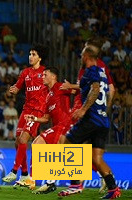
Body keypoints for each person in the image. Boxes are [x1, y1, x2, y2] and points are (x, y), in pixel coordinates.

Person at [58, 46, 121, 199]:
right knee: (96, 158)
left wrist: (84, 110)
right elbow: (105, 90)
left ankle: (75, 184)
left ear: (86, 56)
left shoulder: (91, 70)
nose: (80, 57)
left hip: (91, 119)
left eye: (81, 55)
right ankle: (113, 189)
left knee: (65, 143)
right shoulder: (102, 73)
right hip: (102, 121)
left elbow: (95, 89)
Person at [2, 44, 48, 189]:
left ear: (39, 57)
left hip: (37, 111)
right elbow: (18, 86)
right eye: (29, 54)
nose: (30, 56)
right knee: (17, 142)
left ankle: (14, 171)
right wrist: (14, 89)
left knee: (23, 139)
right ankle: (25, 174)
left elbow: (53, 86)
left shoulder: (45, 72)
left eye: (33, 54)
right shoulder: (25, 72)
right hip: (25, 110)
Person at [23, 67, 74, 194]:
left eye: (45, 74)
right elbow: (46, 118)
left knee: (37, 143)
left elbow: (81, 90)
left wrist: (72, 86)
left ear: (53, 76)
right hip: (57, 127)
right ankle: (105, 176)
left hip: (65, 125)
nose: (42, 77)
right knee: (67, 156)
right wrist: (34, 118)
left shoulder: (60, 87)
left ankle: (34, 179)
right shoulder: (48, 95)